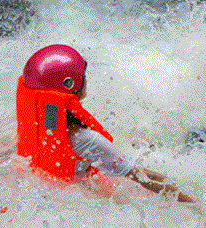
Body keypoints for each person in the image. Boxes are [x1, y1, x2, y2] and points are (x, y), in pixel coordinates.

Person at [16, 44, 195, 203]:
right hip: (78, 200)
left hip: (44, 192)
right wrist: (198, 205)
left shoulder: (36, 123)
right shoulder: (85, 139)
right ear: (71, 86)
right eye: (83, 77)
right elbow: (144, 176)